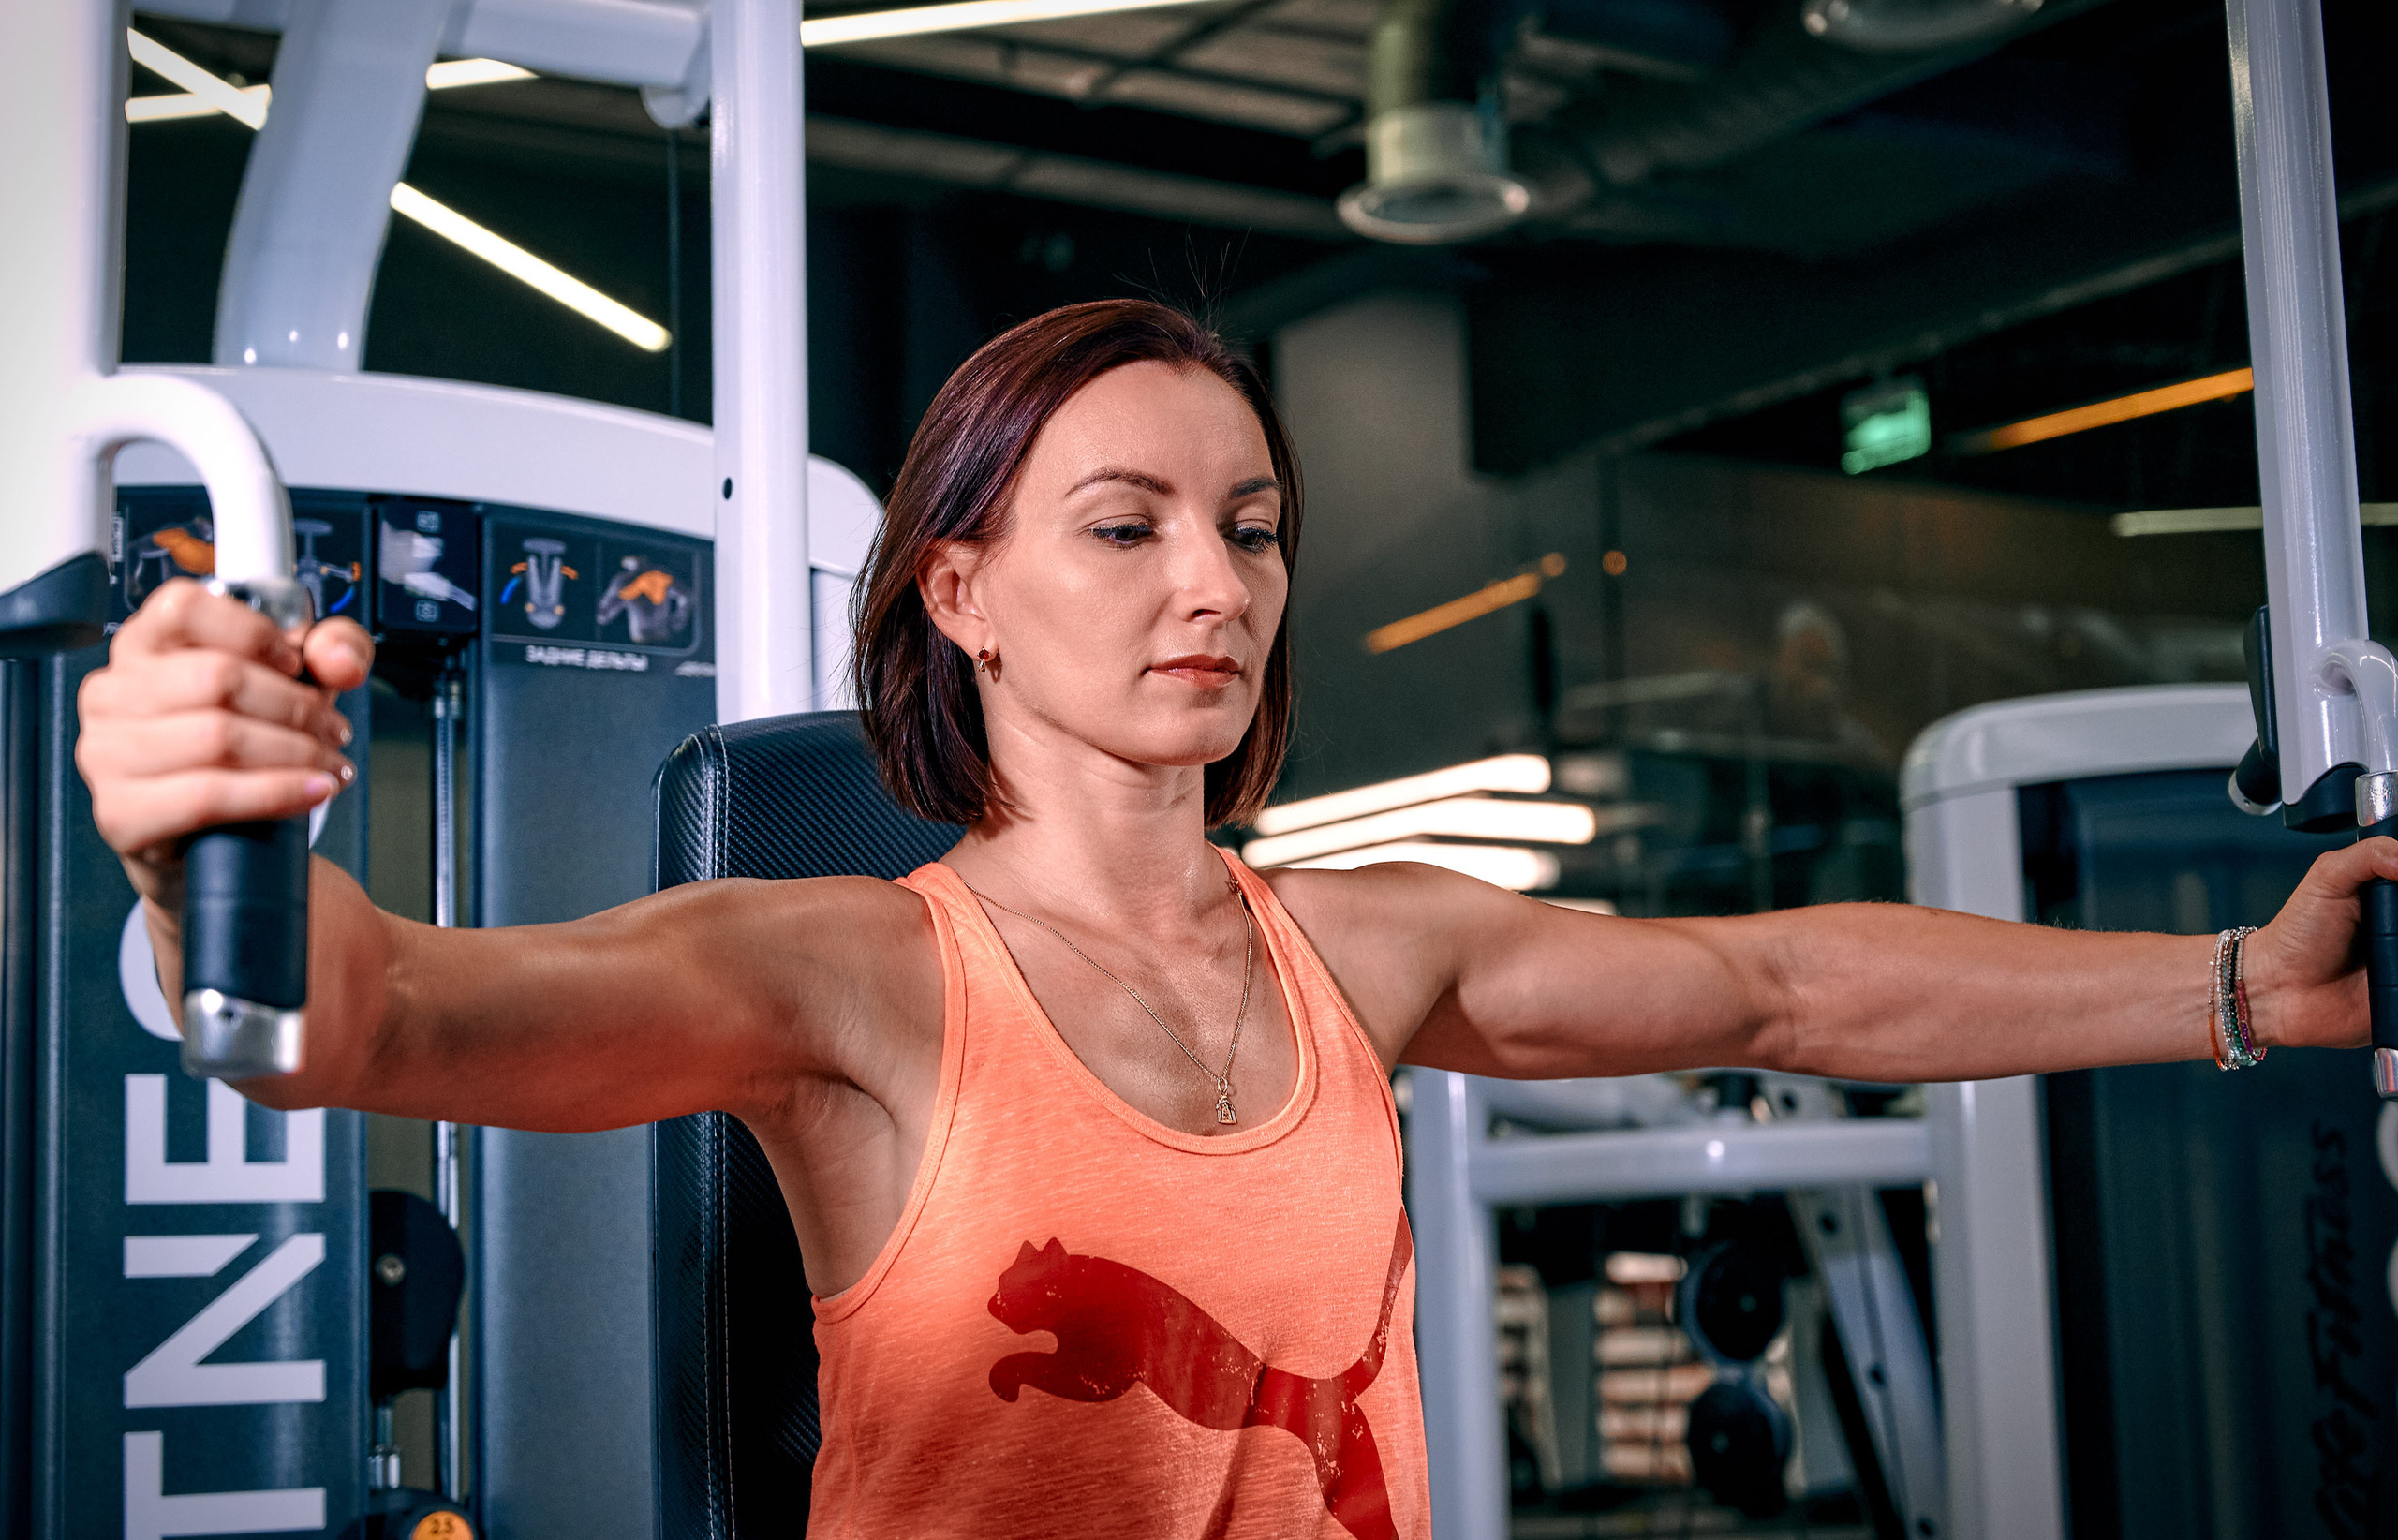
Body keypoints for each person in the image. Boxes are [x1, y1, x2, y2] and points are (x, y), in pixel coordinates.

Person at [77, 299, 2382, 1539]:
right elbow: (373, 1020)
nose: (1215, 581)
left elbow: (1784, 976)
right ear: (958, 589)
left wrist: (2235, 987)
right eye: (1125, 525)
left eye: (1253, 525)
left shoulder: (1359, 949)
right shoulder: (844, 972)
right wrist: (210, 865)